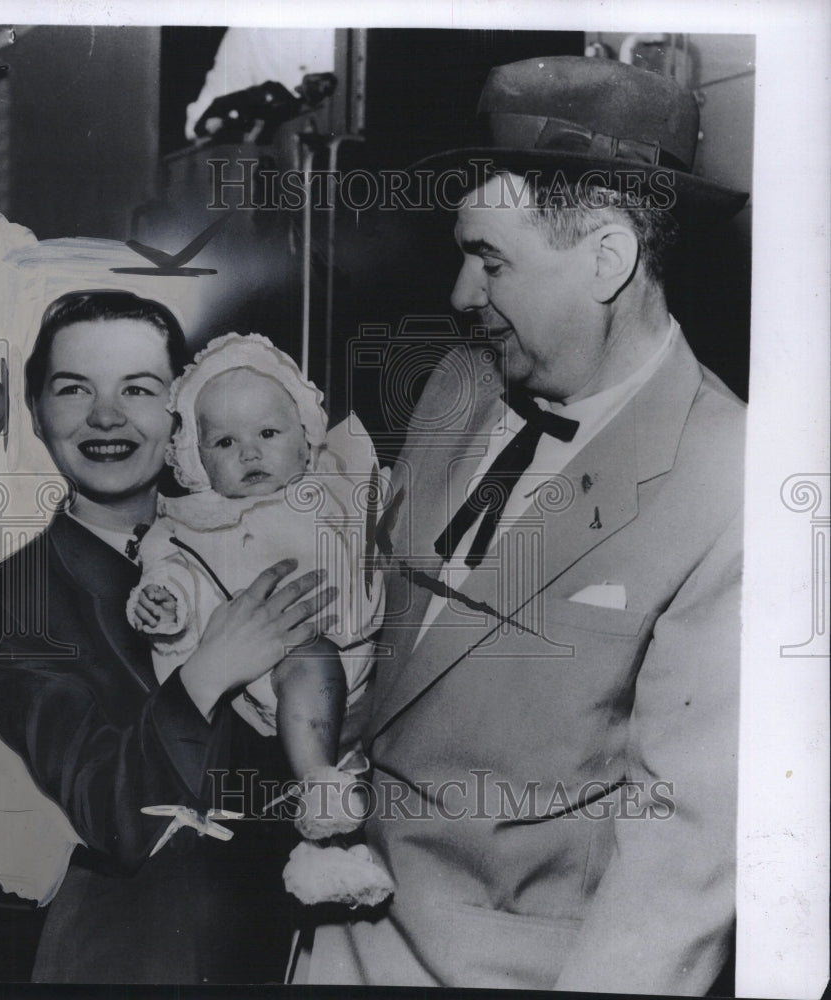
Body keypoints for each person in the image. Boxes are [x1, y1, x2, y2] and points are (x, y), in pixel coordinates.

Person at [305, 56, 747, 994]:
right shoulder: (457, 383)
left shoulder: (729, 476)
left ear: (608, 258)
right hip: (334, 936)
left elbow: (682, 866)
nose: (463, 295)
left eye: (491, 260)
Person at [0, 289, 337, 984]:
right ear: (35, 413)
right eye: (73, 389)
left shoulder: (288, 523)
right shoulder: (12, 599)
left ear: (184, 411)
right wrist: (210, 671)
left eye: (138, 389)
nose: (106, 416)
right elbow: (109, 813)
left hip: (315, 943)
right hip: (143, 956)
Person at [125, 332, 392, 907]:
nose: (249, 453)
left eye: (268, 434)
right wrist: (162, 602)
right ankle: (316, 783)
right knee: (310, 664)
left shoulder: (331, 487)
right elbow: (173, 570)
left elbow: (378, 521)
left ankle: (334, 858)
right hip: (278, 671)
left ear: (304, 440)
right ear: (197, 461)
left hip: (364, 658)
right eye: (224, 441)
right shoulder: (197, 523)